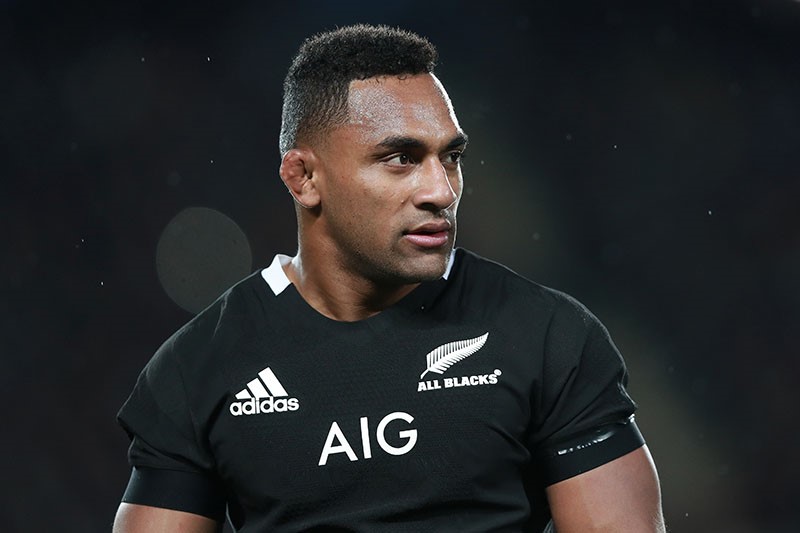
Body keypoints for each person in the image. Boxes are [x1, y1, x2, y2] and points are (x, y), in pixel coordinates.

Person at [113, 24, 665, 532]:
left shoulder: (547, 337)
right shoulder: (196, 370)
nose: (441, 191)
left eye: (451, 157)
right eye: (401, 158)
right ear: (304, 178)